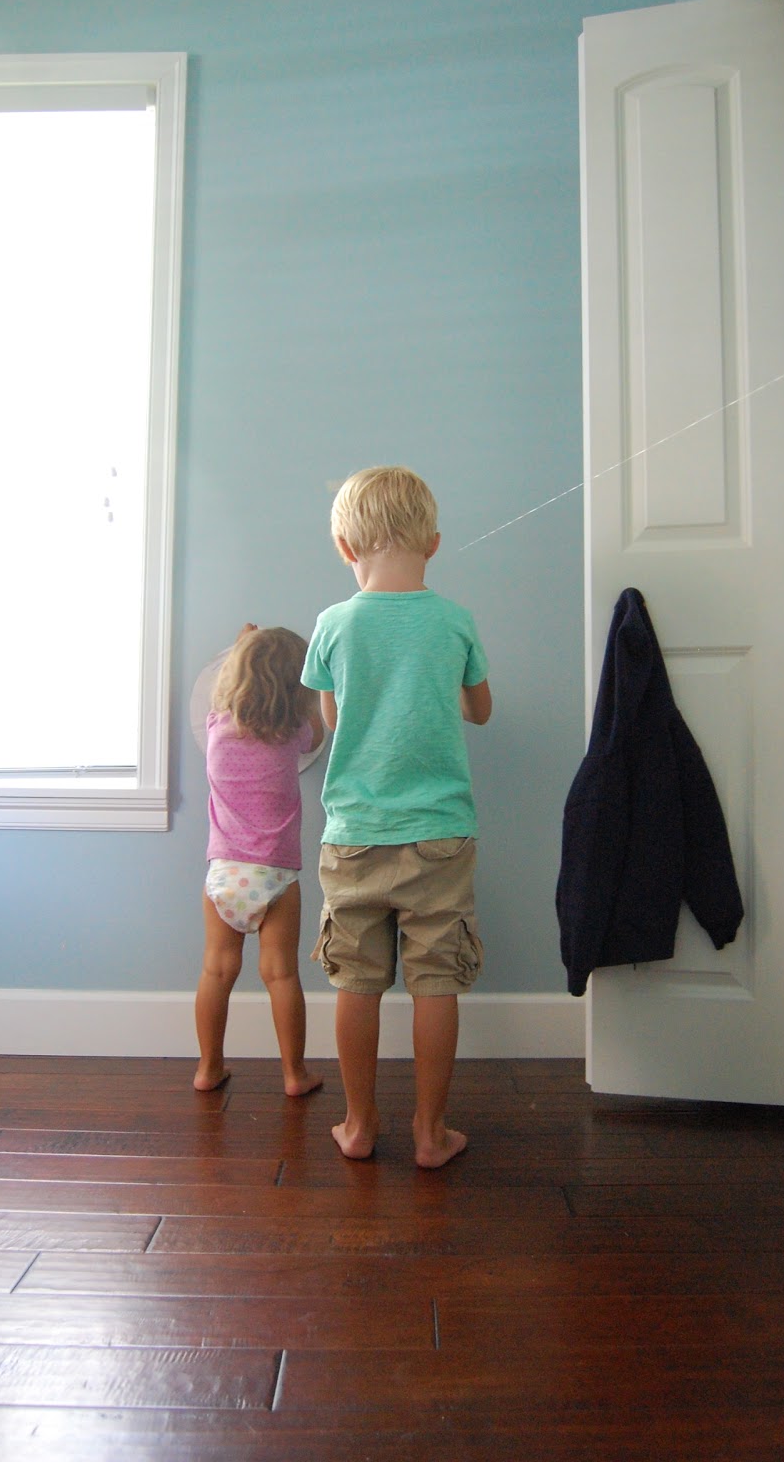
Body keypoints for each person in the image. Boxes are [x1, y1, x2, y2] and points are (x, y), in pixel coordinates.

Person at [302, 466, 492, 1167]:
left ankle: (357, 1126)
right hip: (441, 834)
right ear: (434, 544)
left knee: (356, 981)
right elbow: (481, 709)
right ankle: (429, 1132)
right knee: (435, 981)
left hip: (353, 838)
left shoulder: (333, 624)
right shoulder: (455, 621)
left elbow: (330, 718)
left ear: (346, 549)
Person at [195, 624, 324, 1097]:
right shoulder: (294, 733)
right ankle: (294, 1075)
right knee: (281, 974)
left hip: (223, 871)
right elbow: (315, 738)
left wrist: (242, 646)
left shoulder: (217, 727)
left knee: (216, 970)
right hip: (274, 873)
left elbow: (221, 692)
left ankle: (209, 1068)